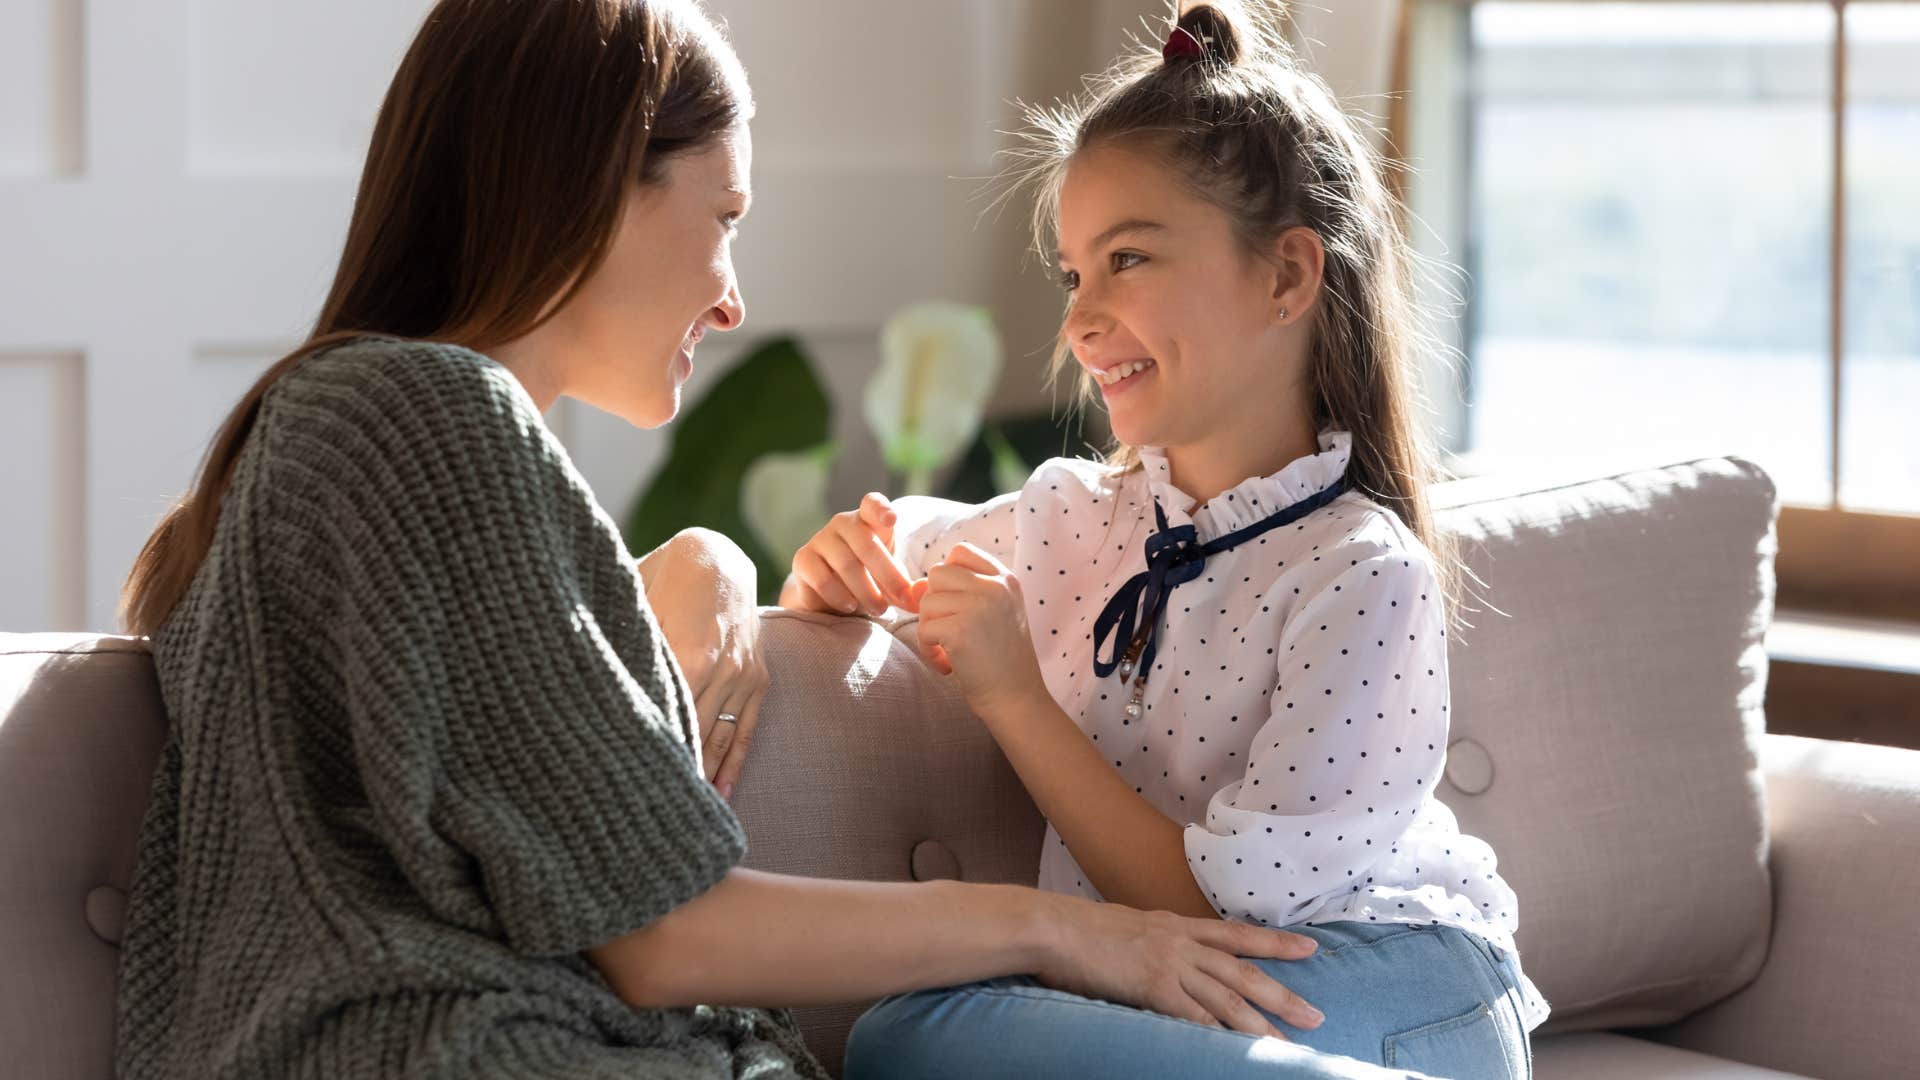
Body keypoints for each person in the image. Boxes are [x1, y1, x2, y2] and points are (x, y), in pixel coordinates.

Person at [111, 2, 1333, 1077]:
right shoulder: (426, 413)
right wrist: (1060, 928)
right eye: (725, 213)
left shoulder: (363, 429)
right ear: (594, 182)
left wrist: (701, 561)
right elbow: (664, 934)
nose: (735, 295)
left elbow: (475, 735)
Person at [784, 3, 1551, 1076]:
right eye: (1073, 275)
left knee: (932, 1037)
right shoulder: (1068, 521)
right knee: (907, 1040)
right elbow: (900, 549)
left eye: (1129, 259)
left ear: (1287, 276)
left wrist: (1014, 693)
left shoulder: (1362, 575)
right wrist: (830, 565)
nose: (1081, 320)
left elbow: (1215, 912)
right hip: (1176, 994)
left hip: (1400, 983)